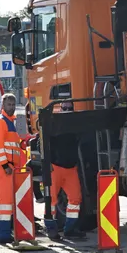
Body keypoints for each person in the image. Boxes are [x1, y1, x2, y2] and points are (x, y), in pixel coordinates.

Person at [43, 100, 87, 241]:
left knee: (75, 198)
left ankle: (70, 229)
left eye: (70, 107)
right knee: (52, 200)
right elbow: (42, 141)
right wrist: (47, 163)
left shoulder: (76, 124)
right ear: (60, 108)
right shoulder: (54, 123)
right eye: (65, 107)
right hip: (55, 167)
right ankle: (51, 229)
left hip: (71, 168)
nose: (67, 110)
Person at [0, 93, 24, 243]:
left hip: (7, 166)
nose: (11, 107)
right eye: (8, 104)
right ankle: (4, 235)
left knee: (0, 203)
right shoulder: (1, 122)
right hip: (5, 167)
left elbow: (11, 145)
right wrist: (5, 166)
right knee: (5, 202)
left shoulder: (9, 122)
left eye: (13, 104)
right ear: (2, 106)